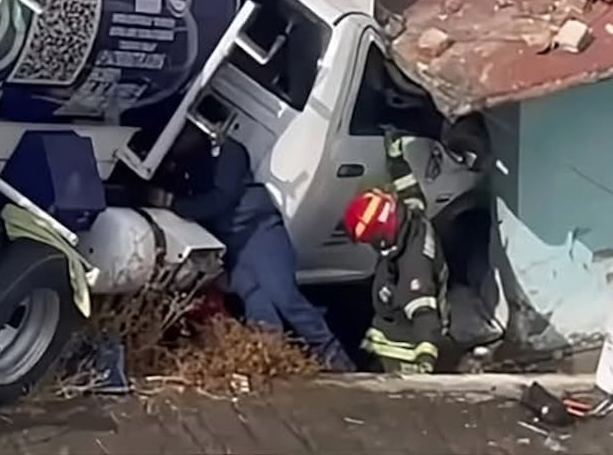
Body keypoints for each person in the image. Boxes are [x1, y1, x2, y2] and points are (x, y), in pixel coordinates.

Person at [151, 126, 356, 372]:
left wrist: (173, 204)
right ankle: (273, 360)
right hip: (232, 245)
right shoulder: (178, 165)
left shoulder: (229, 152)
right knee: (258, 303)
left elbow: (221, 199)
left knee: (284, 296)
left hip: (259, 231)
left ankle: (335, 358)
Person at [341, 128, 454, 374]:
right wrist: (395, 157)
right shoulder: (411, 218)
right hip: (387, 327)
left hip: (400, 350)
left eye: (372, 239)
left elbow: (424, 311)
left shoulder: (414, 266)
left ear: (383, 235)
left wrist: (425, 356)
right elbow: (409, 189)